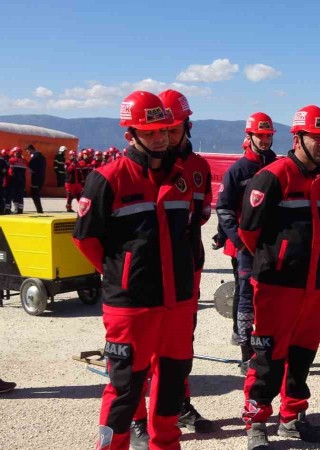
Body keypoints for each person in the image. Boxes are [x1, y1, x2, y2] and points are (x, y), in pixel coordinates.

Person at [72, 90, 196, 450]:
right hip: (131, 305)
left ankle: (165, 445)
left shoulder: (180, 177)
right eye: (150, 132)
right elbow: (85, 239)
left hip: (177, 303)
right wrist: (120, 274)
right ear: (131, 135)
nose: (160, 139)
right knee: (124, 389)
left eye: (164, 131)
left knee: (171, 384)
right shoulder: (107, 178)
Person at [238, 104, 320, 448]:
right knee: (268, 357)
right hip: (277, 286)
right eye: (315, 137)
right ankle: (256, 422)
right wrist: (277, 260)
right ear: (297, 138)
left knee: (303, 355)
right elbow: (248, 231)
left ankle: (292, 417)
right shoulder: (273, 176)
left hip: (312, 287)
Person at [120, 89, 215, 439]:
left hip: (186, 269)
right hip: (146, 275)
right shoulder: (142, 165)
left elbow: (200, 216)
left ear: (187, 126)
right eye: (162, 129)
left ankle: (177, 404)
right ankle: (136, 418)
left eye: (173, 130)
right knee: (139, 349)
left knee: (180, 345)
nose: (167, 137)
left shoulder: (198, 167)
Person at [216, 112, 277, 372]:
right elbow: (223, 208)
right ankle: (246, 353)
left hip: (272, 246)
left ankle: (270, 348)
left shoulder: (278, 165)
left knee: (272, 297)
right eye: (259, 135)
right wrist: (238, 240)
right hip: (245, 248)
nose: (264, 140)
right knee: (245, 297)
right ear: (249, 136)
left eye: (268, 135)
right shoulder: (238, 170)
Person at [6, 147, 27, 214]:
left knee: (11, 195)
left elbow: (6, 168)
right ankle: (20, 209)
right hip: (21, 181)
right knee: (20, 196)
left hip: (13, 180)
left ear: (15, 153)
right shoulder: (24, 161)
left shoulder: (11, 160)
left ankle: (11, 209)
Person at [26, 144, 46, 213]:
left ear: (30, 149)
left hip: (36, 178)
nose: (28, 152)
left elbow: (31, 166)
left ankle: (39, 210)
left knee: (34, 194)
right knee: (36, 193)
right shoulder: (42, 156)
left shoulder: (35, 157)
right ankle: (39, 209)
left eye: (27, 151)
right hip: (41, 178)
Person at [0, 149, 8, 214]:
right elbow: (5, 170)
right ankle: (1, 210)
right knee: (1, 196)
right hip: (0, 180)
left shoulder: (2, 160)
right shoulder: (3, 160)